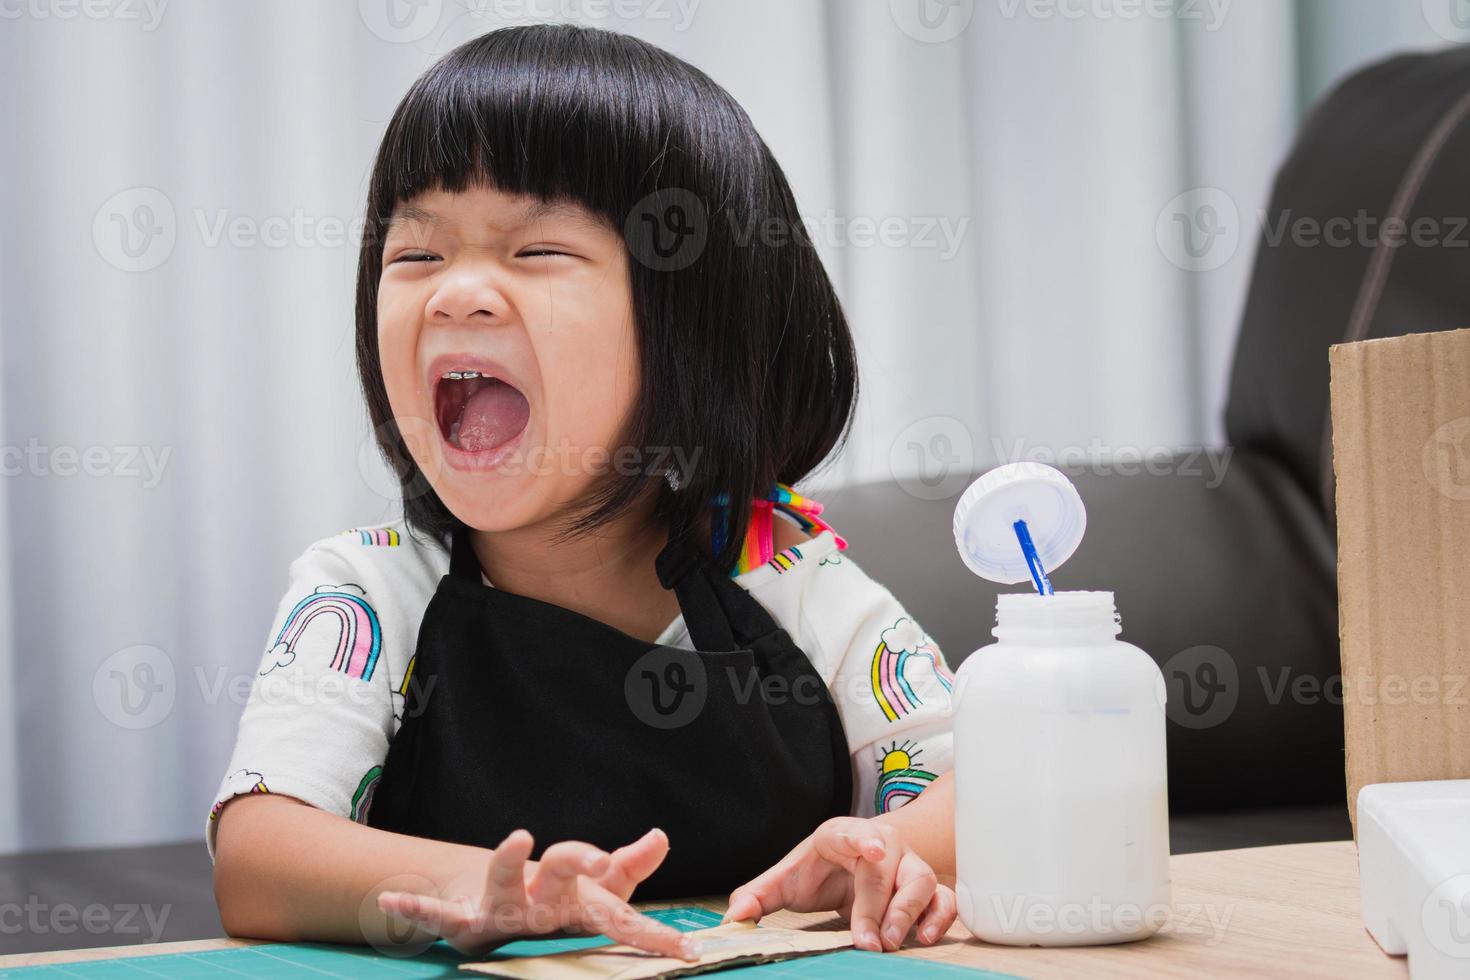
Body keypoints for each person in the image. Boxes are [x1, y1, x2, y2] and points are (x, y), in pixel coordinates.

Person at [208, 23, 957, 961]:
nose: (457, 296)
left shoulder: (791, 579)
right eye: (417, 256)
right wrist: (486, 893)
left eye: (536, 253)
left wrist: (881, 851)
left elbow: (986, 786)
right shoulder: (368, 593)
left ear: (696, 332)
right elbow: (258, 857)